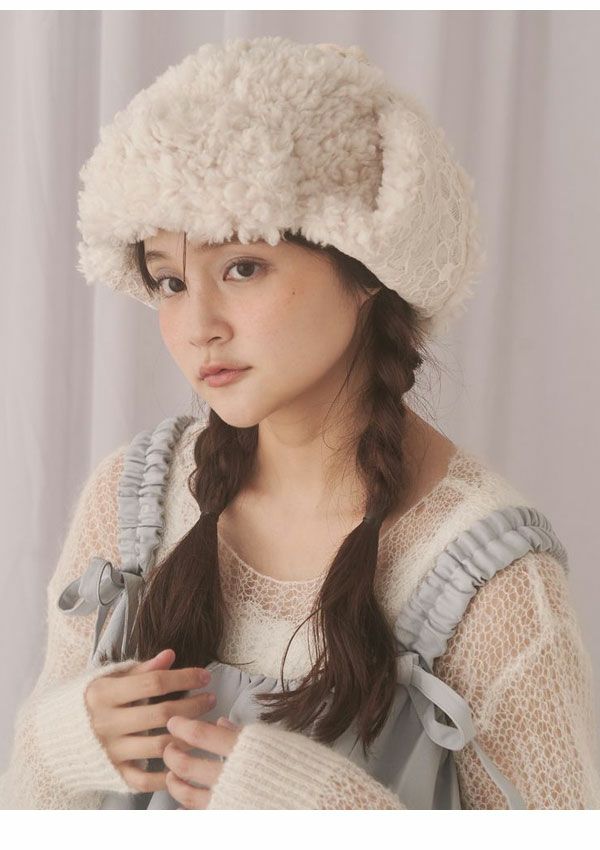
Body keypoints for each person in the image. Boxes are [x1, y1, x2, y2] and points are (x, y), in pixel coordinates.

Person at [1, 36, 599, 810]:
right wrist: (60, 745)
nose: (199, 326)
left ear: (367, 269)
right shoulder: (132, 502)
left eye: (243, 267)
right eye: (171, 281)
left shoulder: (491, 582)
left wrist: (340, 814)